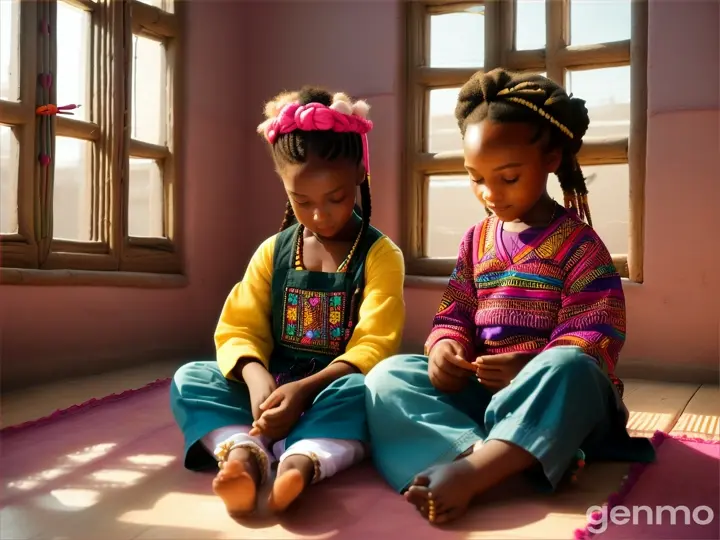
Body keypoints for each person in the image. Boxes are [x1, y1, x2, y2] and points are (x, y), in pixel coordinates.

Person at [364, 69, 655, 525]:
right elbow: (454, 311)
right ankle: (490, 459)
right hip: (487, 397)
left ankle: (479, 468)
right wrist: (445, 348)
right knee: (388, 376)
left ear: (551, 160)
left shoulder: (582, 247)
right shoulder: (475, 241)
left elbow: (596, 338)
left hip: (564, 406)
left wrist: (529, 368)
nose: (489, 193)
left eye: (508, 177)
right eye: (476, 178)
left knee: (569, 367)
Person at [171, 87, 405, 517]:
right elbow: (239, 328)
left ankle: (303, 462)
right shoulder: (272, 252)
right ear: (284, 188)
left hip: (331, 389)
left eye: (334, 198)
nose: (320, 215)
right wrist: (258, 378)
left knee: (368, 391)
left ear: (359, 172)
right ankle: (244, 452)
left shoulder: (380, 255)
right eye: (302, 201)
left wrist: (304, 390)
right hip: (271, 390)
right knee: (191, 378)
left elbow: (375, 345)